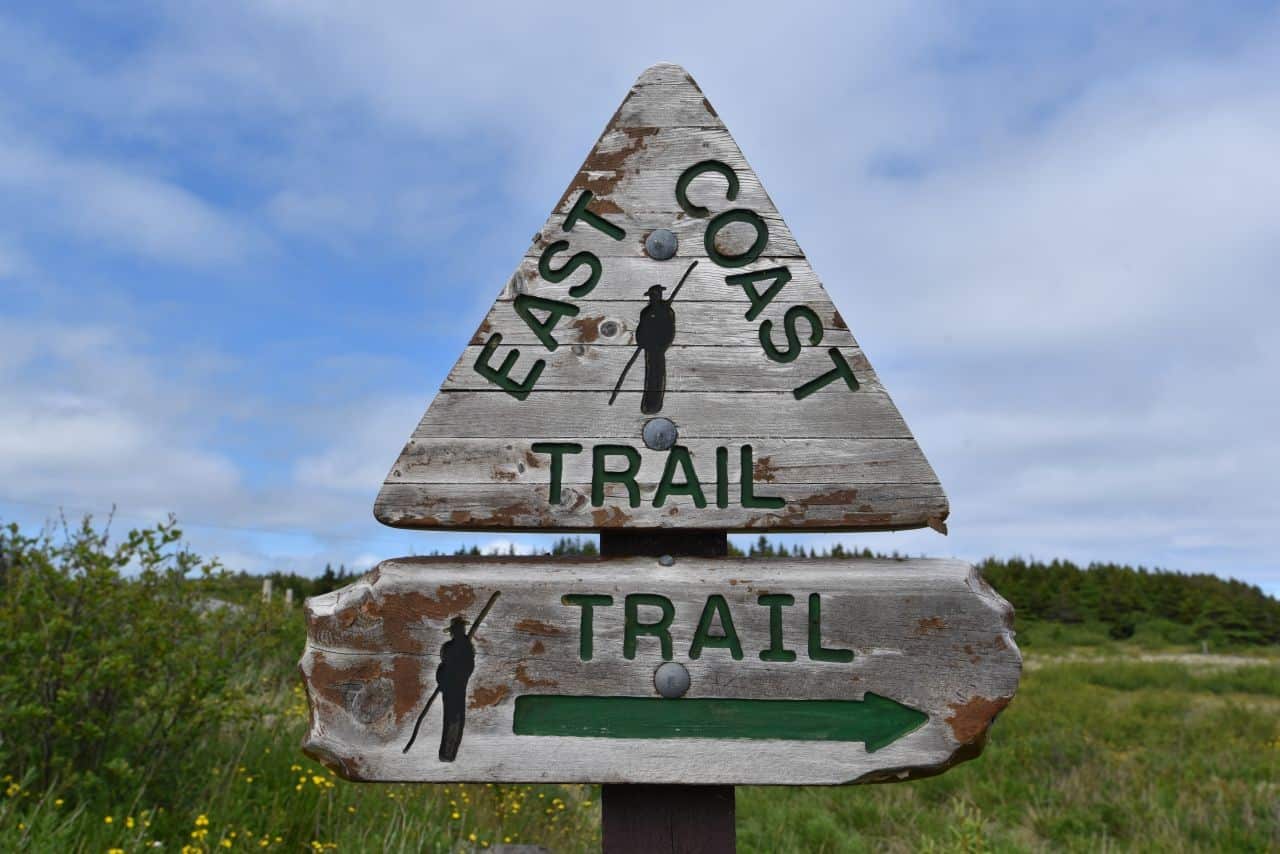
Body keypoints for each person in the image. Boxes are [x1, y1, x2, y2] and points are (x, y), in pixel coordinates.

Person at [436, 616, 475, 762]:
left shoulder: (461, 647)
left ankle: (448, 753)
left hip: (453, 687)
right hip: (453, 687)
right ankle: (447, 753)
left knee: (453, 716)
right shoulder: (465, 647)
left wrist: (444, 680)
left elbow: (446, 667)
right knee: (454, 716)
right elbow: (446, 666)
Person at [635, 284, 676, 414]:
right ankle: (648, 403)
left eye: (656, 295)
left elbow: (670, 330)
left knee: (657, 374)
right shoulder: (646, 312)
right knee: (650, 373)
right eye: (652, 296)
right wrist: (642, 342)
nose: (654, 298)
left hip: (659, 349)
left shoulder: (667, 311)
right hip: (650, 348)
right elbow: (641, 329)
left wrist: (663, 344)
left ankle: (654, 403)